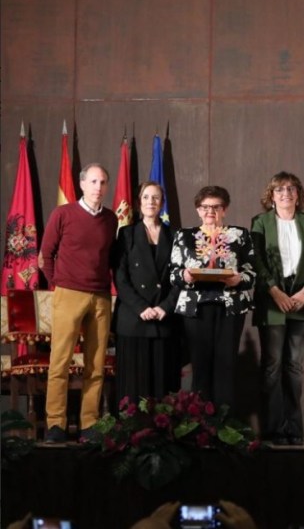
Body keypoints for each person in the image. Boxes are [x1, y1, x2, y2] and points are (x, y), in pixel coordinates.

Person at [38, 163, 118, 443]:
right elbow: (46, 255)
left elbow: (109, 258)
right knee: (60, 362)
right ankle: (56, 424)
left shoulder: (110, 219)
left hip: (101, 297)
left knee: (96, 364)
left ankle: (89, 423)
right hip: (68, 294)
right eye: (93, 181)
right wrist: (58, 284)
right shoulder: (63, 214)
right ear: (82, 184)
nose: (98, 187)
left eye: (103, 182)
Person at [250, 172, 304, 445]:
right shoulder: (260, 222)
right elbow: (257, 262)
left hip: (301, 301)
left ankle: (294, 429)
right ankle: (273, 430)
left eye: (291, 189)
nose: (286, 194)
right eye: (280, 189)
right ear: (271, 195)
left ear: (298, 194)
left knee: (293, 366)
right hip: (272, 300)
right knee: (272, 366)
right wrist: (275, 292)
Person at [169, 186, 256, 410]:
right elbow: (173, 274)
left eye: (216, 207)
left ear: (224, 210)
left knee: (226, 365)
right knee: (200, 365)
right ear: (198, 210)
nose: (210, 211)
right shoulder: (184, 236)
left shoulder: (240, 235)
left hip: (230, 307)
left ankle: (224, 421)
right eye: (205, 207)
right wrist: (185, 276)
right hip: (195, 308)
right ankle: (200, 421)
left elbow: (252, 273)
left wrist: (238, 280)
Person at [113, 181, 182, 402]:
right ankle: (132, 423)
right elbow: (120, 278)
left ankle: (162, 423)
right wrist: (141, 307)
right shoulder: (126, 234)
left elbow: (180, 278)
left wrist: (165, 307)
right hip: (134, 318)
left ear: (162, 203)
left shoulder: (175, 235)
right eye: (146, 197)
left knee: (163, 384)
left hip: (164, 318)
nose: (150, 202)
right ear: (138, 202)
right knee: (134, 385)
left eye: (156, 197)